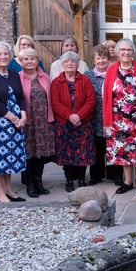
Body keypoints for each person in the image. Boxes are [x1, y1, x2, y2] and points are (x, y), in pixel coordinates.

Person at [103, 38, 136, 196]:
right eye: (123, 50)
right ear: (118, 53)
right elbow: (107, 96)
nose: (126, 53)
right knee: (123, 151)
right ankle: (128, 181)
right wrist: (107, 119)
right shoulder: (111, 70)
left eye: (129, 50)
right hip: (119, 120)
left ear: (133, 52)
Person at [0, 41, 27, 203]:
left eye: (6, 54)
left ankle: (8, 189)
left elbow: (21, 97)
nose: (3, 57)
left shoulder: (14, 74)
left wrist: (23, 116)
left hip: (15, 124)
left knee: (10, 157)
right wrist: (13, 117)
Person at [51, 51, 96, 192]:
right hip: (64, 124)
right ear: (62, 64)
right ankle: (69, 180)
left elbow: (91, 101)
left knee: (83, 152)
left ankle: (82, 179)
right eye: (66, 62)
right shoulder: (56, 82)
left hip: (83, 123)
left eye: (73, 61)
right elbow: (55, 103)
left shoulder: (85, 80)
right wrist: (70, 116)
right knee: (67, 154)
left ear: (77, 64)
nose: (70, 64)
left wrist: (79, 116)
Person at [18, 47, 55, 197]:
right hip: (28, 121)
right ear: (20, 61)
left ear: (37, 60)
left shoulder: (45, 77)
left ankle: (38, 181)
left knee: (41, 154)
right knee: (29, 153)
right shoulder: (17, 77)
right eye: (26, 59)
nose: (29, 61)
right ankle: (29, 184)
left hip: (43, 121)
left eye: (32, 58)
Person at [85, 44, 112, 185]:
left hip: (111, 116)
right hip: (94, 117)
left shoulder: (114, 73)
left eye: (104, 58)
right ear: (94, 60)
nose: (101, 61)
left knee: (112, 146)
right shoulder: (88, 75)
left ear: (108, 59)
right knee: (96, 147)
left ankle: (115, 175)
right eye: (98, 58)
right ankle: (96, 175)